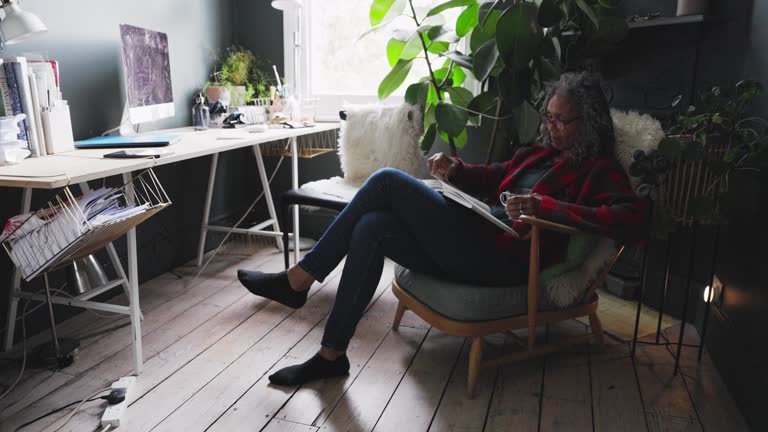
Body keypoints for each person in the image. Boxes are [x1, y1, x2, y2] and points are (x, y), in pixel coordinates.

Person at [237, 72, 648, 386]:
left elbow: (632, 220)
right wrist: (457, 170)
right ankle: (331, 356)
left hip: (505, 258)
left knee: (385, 181)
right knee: (372, 226)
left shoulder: (599, 170)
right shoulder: (539, 153)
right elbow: (497, 176)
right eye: (549, 117)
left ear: (588, 122)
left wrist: (550, 209)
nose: (552, 126)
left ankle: (298, 280)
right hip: (478, 235)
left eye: (563, 121)